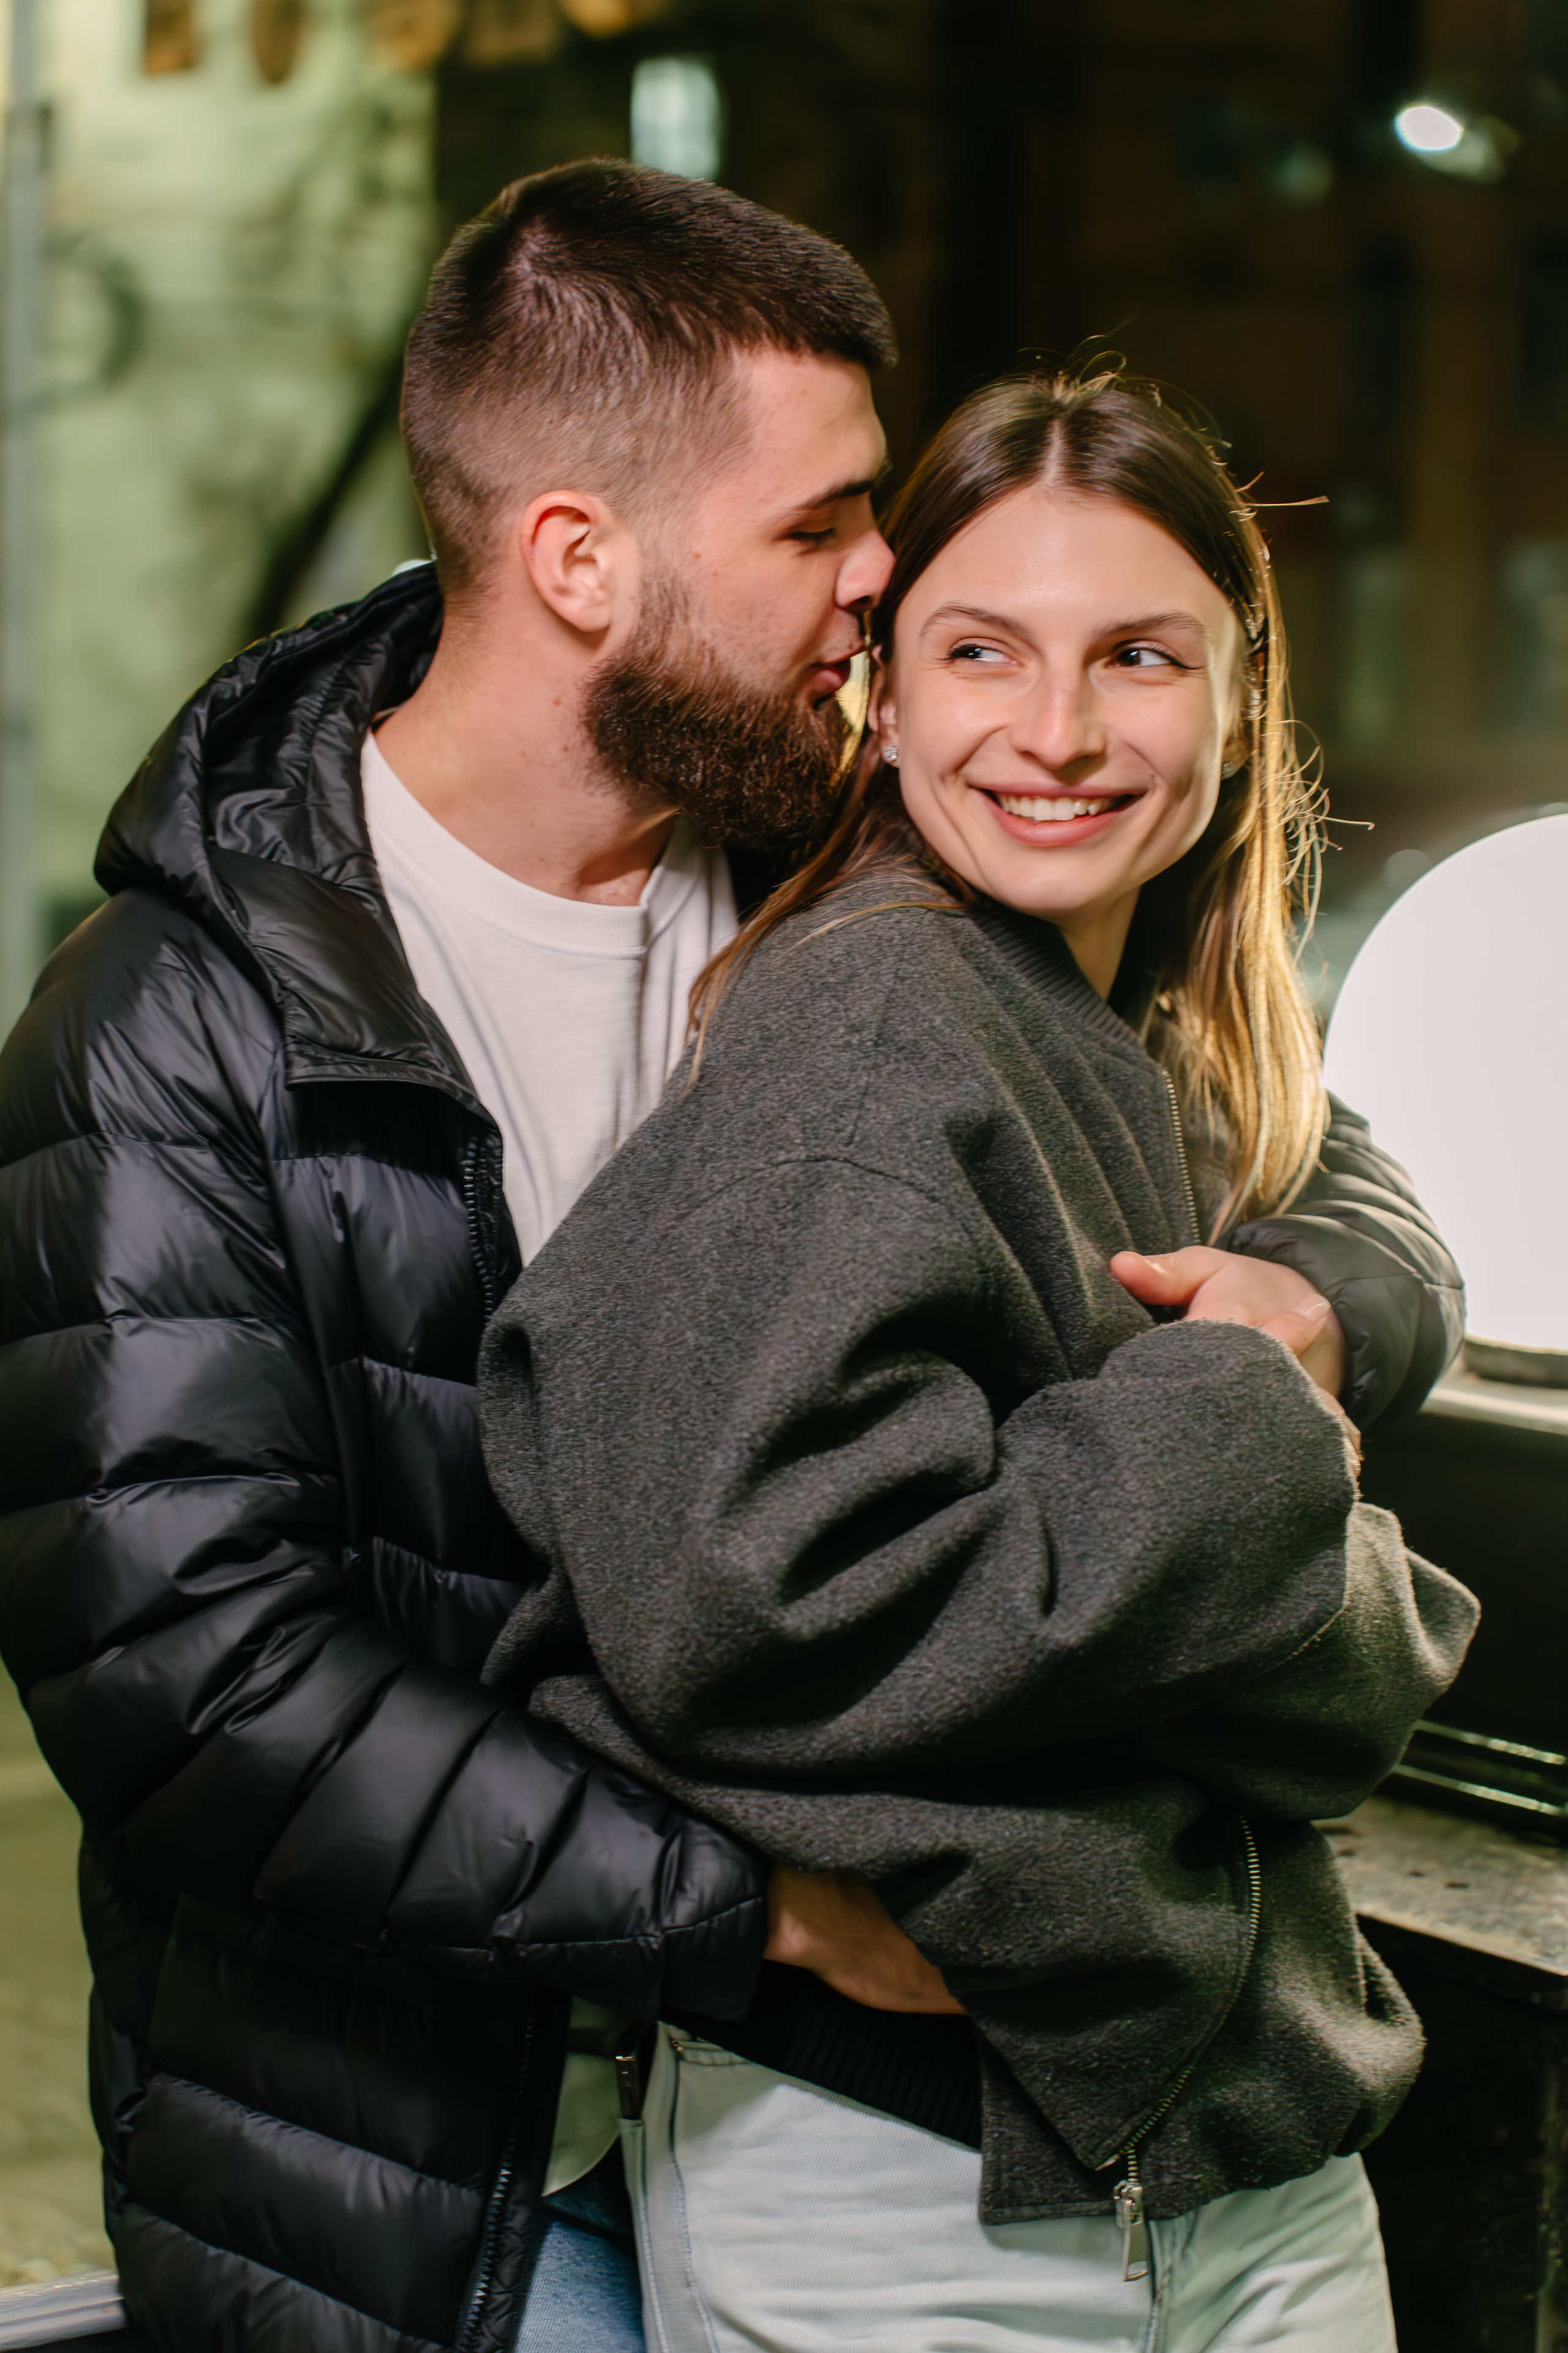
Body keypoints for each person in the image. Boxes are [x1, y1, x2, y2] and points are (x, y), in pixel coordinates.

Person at [0, 159, 932, 2353]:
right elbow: (197, 1685)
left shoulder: (848, 884)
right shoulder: (168, 1025)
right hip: (427, 2198)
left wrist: (1327, 1288)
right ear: (579, 560)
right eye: (817, 525)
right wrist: (770, 1914)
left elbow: (1277, 1118)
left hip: (834, 2158)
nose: (884, 575)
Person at [478, 368, 1477, 2353]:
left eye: (1139, 657)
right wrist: (1249, 1427)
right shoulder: (874, 1020)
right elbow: (744, 1602)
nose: (1059, 730)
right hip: (910, 2168)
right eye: (981, 651)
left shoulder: (1151, 1013)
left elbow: (1348, 1189)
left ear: (1243, 698)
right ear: (884, 693)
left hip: (1243, 2145)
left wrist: (1322, 1309)